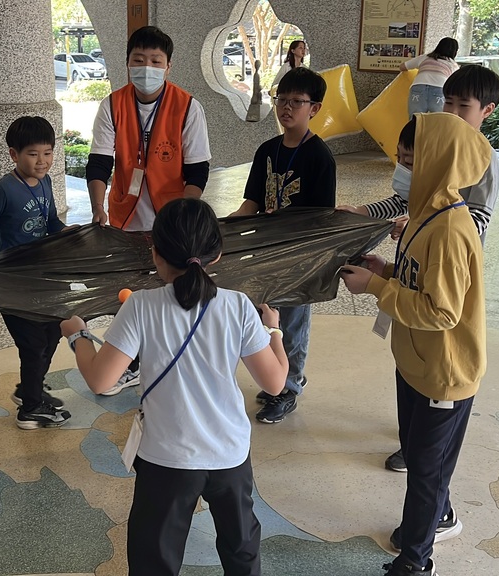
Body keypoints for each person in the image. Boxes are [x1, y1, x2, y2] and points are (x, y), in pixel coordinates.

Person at [61, 198, 289, 576]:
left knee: (154, 560)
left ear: (155, 254)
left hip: (166, 459)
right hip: (229, 454)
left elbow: (101, 380)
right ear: (217, 254)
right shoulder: (238, 306)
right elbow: (276, 382)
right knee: (241, 550)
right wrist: (274, 330)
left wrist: (78, 335)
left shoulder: (140, 306)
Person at [340, 113, 491, 576]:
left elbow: (441, 312)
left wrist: (375, 288)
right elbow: (417, 281)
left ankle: (415, 562)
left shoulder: (449, 230)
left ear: (439, 166)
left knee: (426, 471)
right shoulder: (425, 214)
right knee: (423, 456)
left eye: (411, 162)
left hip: (443, 374)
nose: (401, 171)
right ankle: (436, 515)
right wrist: (384, 270)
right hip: (415, 362)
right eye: (399, 159)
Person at [337, 64, 499, 474]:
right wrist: (366, 213)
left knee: (435, 349)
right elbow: (404, 199)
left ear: (487, 110)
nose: (452, 112)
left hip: (446, 265)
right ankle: (412, 443)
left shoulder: (477, 164)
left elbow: (476, 220)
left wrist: (423, 227)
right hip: (419, 265)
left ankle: (423, 455)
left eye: (463, 106)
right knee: (414, 359)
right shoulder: (428, 144)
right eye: (448, 102)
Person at [86, 25, 211, 395]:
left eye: (156, 61)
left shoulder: (188, 107)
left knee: (172, 290)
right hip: (125, 216)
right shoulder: (112, 105)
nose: (147, 68)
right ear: (127, 63)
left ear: (168, 66)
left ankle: (174, 356)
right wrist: (97, 207)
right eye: (139, 60)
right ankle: (133, 362)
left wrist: (183, 217)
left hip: (171, 218)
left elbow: (197, 171)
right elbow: (99, 163)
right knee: (126, 292)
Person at [229, 67, 337, 424]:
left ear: (314, 108)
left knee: (292, 324)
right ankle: (276, 376)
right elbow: (251, 203)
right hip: (264, 253)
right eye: (281, 100)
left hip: (298, 258)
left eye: (296, 102)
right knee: (265, 316)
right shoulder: (267, 150)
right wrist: (226, 227)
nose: (287, 107)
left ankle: (288, 387)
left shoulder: (320, 157)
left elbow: (322, 218)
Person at [0, 116, 72, 430]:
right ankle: (30, 409)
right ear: (14, 154)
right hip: (12, 281)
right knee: (32, 342)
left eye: (48, 153)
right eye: (33, 154)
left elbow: (51, 221)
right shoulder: (3, 189)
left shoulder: (46, 182)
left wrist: (69, 233)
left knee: (53, 331)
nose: (42, 161)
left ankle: (30, 388)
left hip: (42, 277)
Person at [400, 37, 459, 117]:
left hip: (418, 87)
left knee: (415, 119)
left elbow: (402, 67)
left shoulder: (424, 57)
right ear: (454, 51)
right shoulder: (453, 65)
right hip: (440, 89)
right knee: (438, 120)